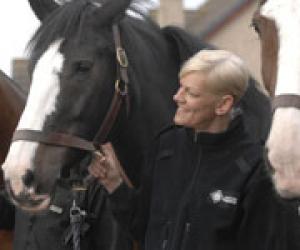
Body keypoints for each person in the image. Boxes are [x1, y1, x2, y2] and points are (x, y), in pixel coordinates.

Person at [88, 49, 293, 250]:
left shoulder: (256, 168)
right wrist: (114, 183)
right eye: (180, 87)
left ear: (223, 105)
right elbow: (141, 226)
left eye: (191, 93)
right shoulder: (165, 148)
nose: (177, 97)